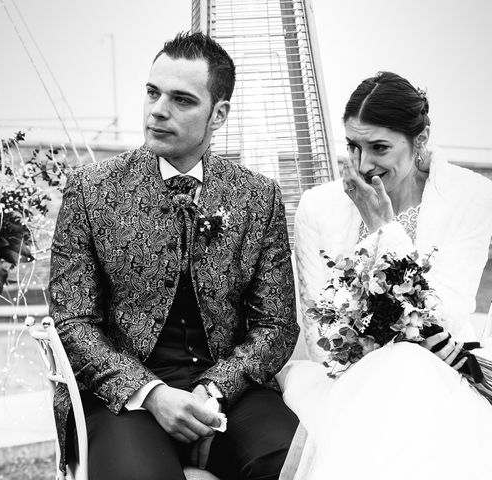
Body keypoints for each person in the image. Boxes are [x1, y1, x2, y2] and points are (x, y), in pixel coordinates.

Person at [49, 31, 299, 480]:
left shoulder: (258, 196)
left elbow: (276, 325)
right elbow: (73, 322)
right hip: (123, 397)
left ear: (218, 114)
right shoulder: (91, 190)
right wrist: (151, 393)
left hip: (231, 391)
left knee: (285, 463)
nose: (158, 110)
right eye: (152, 93)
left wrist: (215, 390)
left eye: (181, 99)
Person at [277, 71, 492, 480]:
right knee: (397, 375)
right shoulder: (318, 207)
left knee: (409, 371)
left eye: (380, 147)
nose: (363, 164)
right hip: (346, 378)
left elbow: (447, 314)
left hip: (443, 371)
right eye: (353, 146)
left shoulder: (472, 196)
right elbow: (320, 334)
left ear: (419, 140)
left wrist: (383, 229)